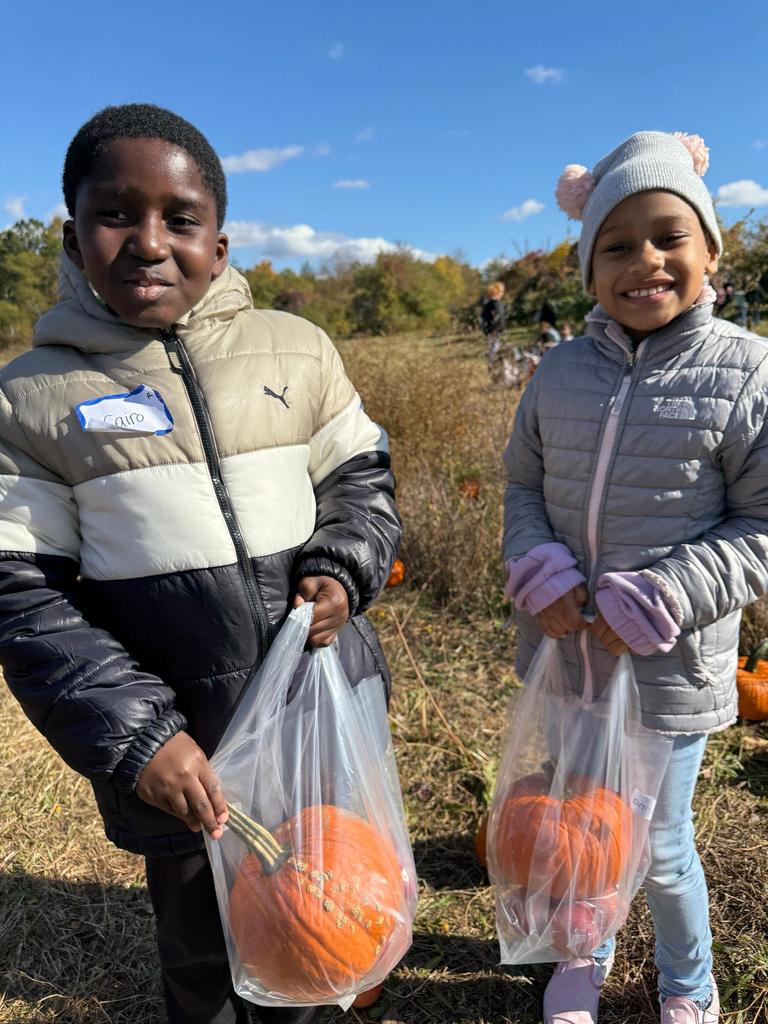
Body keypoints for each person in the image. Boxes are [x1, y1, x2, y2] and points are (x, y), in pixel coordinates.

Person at [0, 104, 401, 1024]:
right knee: (202, 953)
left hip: (315, 719)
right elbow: (23, 598)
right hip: (184, 756)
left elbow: (362, 481)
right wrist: (140, 737)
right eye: (115, 215)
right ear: (72, 235)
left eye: (179, 219)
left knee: (335, 921)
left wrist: (345, 564)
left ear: (219, 246)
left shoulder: (295, 350)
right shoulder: (31, 399)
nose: (148, 242)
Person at [503, 131, 768, 1024]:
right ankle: (588, 954)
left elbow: (763, 524)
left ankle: (689, 982)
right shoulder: (559, 371)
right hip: (571, 654)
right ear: (587, 269)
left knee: (656, 843)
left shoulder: (745, 370)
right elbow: (524, 486)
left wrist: (661, 598)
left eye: (668, 236)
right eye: (617, 245)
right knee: (582, 824)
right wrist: (538, 569)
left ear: (709, 253)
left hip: (668, 667)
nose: (644, 261)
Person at [480, 281, 507, 381]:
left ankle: (496, 378)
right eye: (502, 291)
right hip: (495, 335)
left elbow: (483, 321)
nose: (503, 294)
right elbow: (498, 321)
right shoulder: (496, 304)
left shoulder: (487, 305)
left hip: (491, 335)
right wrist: (496, 332)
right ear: (498, 291)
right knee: (494, 357)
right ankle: (497, 379)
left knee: (493, 356)